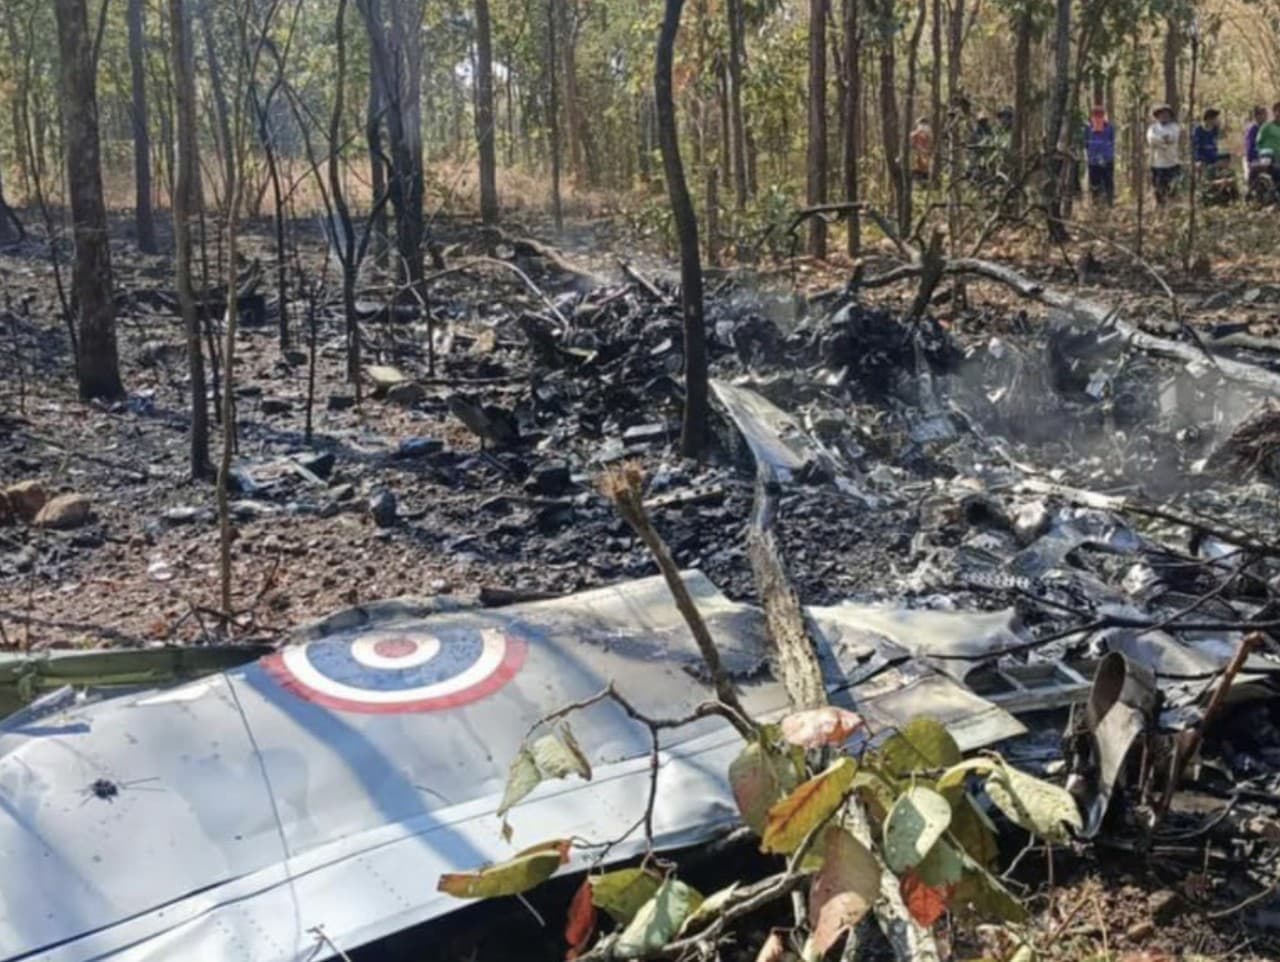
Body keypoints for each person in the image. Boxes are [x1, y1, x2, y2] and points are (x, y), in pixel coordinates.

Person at [1147, 103, 1181, 205]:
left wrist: (1160, 141)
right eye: (1161, 114)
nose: (1164, 116)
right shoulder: (1152, 128)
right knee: (1158, 190)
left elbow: (1171, 138)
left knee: (1172, 190)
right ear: (1157, 116)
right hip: (1157, 164)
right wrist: (1162, 141)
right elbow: (1151, 140)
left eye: (1166, 114)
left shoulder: (1174, 127)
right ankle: (1160, 210)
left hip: (1172, 163)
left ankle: (1171, 209)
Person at [1082, 104, 1115, 205]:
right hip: (1093, 161)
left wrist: (1106, 155)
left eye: (1100, 114)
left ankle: (1109, 203)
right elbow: (1086, 143)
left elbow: (1112, 141)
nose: (1098, 116)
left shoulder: (1109, 127)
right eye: (1095, 114)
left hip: (1107, 159)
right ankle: (1095, 203)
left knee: (1108, 182)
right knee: (1094, 183)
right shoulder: (1088, 128)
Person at [910, 117, 933, 182]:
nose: (924, 127)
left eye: (925, 125)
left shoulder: (929, 137)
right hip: (916, 168)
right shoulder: (915, 135)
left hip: (925, 169)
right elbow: (912, 145)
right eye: (922, 125)